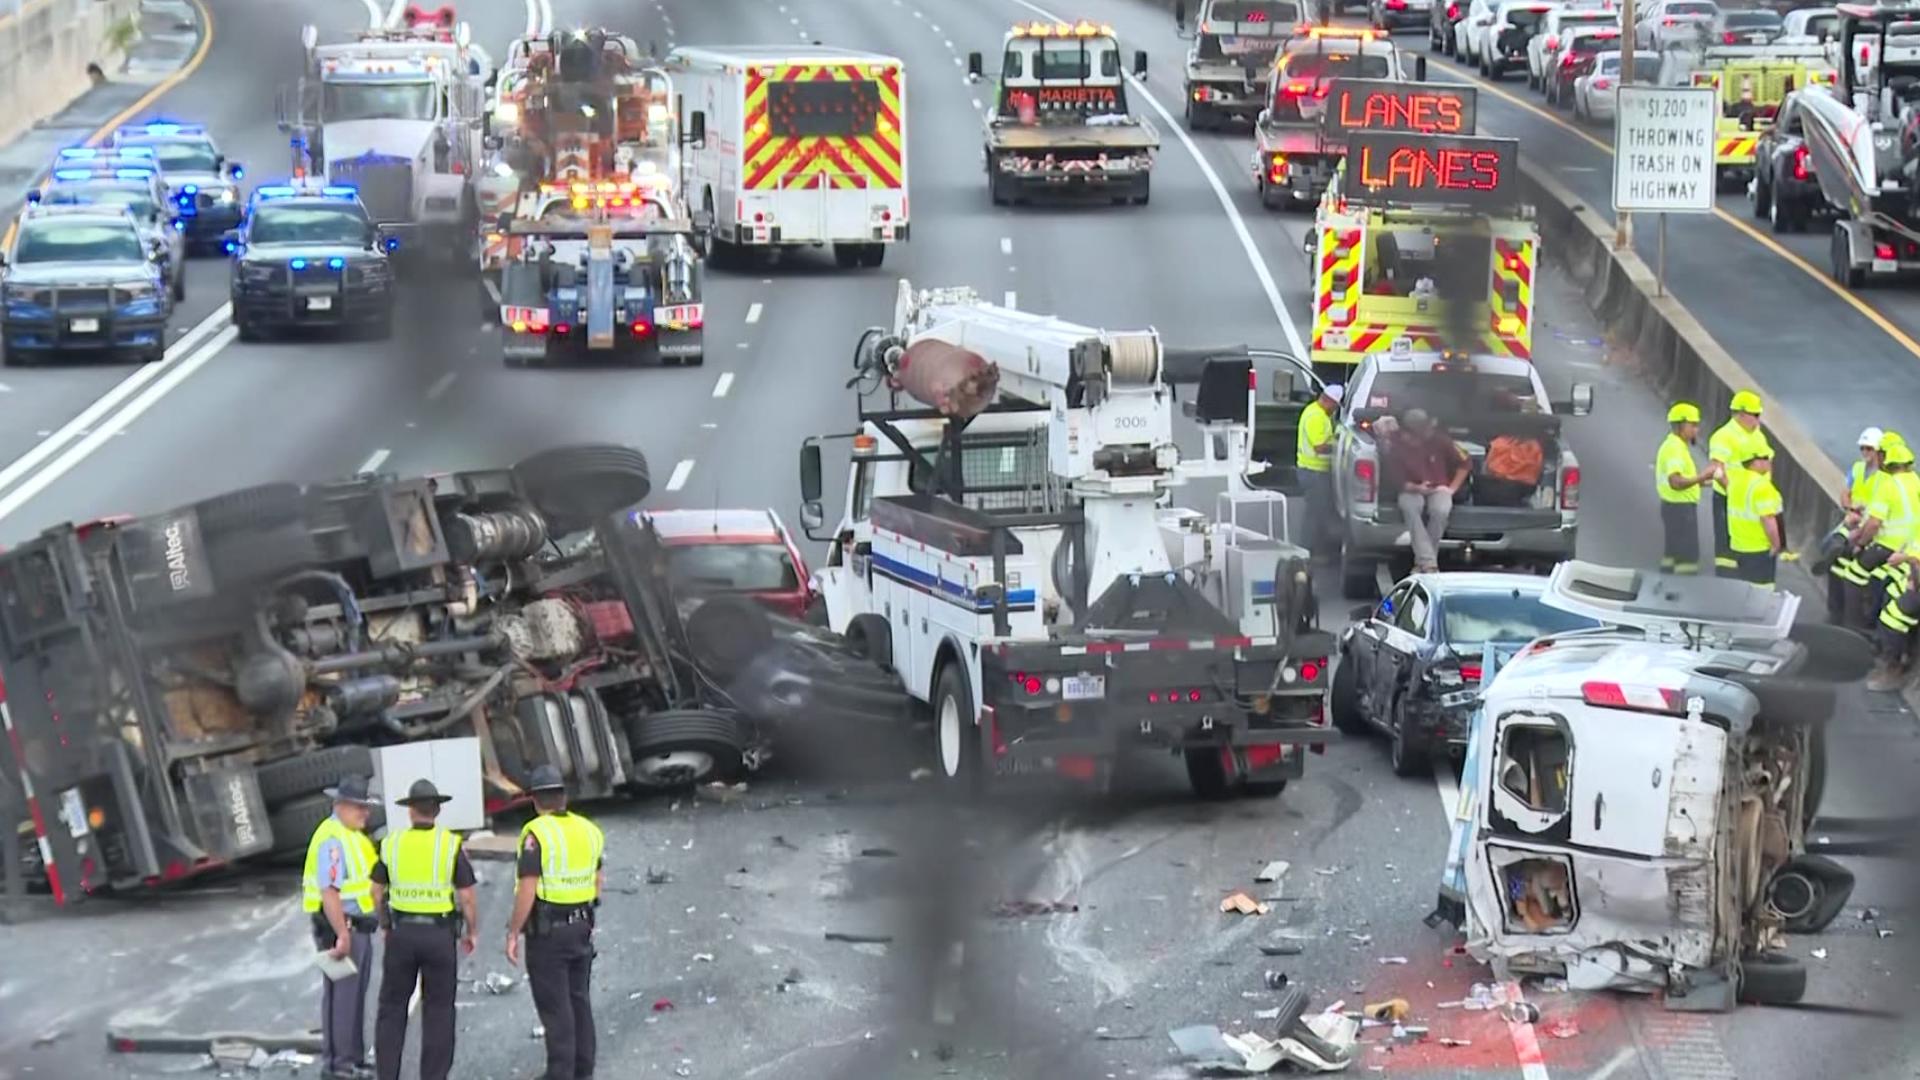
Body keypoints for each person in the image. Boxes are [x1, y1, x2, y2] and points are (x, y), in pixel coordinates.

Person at [372, 780, 479, 1080]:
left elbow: (376, 890)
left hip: (402, 934)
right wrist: (472, 931)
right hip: (439, 936)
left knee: (392, 1008)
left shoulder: (391, 844)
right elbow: (467, 896)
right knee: (439, 1011)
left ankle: (387, 1074)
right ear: (438, 810)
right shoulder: (450, 845)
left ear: (409, 812)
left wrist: (385, 924)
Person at [507, 765, 605, 1080]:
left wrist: (514, 931)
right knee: (579, 999)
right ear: (563, 796)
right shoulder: (589, 829)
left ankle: (560, 1073)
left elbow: (528, 887)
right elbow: (598, 878)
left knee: (555, 1007)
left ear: (535, 800)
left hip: (549, 933)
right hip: (582, 925)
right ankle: (582, 1070)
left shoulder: (536, 833)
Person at [304, 776, 382, 1080]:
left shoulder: (353, 836)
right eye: (359, 808)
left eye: (366, 808)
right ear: (340, 805)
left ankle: (353, 1059)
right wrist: (342, 934)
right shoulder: (333, 839)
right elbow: (329, 892)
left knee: (353, 995)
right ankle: (339, 1066)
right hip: (341, 927)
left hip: (357, 926)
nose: (365, 813)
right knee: (343, 998)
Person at [1847, 435, 1917, 632]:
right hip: (1910, 546)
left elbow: (1874, 525)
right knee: (1883, 581)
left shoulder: (1890, 485)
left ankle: (1853, 626)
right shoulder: (1915, 481)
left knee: (1853, 574)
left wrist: (1860, 543)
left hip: (1889, 545)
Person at [1386, 408, 1468, 574]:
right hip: (1411, 489)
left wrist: (1451, 489)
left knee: (1441, 510)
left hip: (1439, 488)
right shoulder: (1395, 446)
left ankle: (1422, 563)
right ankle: (1429, 563)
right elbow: (1398, 481)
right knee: (1410, 508)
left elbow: (1465, 463)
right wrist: (1418, 488)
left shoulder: (1440, 440)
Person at [1707, 390, 1771, 572]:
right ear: (1741, 414)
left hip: (1753, 500)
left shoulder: (1757, 434)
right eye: (1755, 415)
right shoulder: (1724, 436)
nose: (1758, 421)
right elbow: (1717, 469)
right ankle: (1726, 585)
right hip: (1728, 499)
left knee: (1750, 545)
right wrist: (1735, 494)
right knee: (1727, 549)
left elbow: (1768, 460)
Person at [1655, 402, 1721, 574]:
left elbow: (1686, 480)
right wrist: (1703, 476)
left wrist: (1708, 482)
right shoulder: (1675, 449)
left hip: (1674, 508)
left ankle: (1666, 586)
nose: (1696, 430)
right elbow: (1676, 482)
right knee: (1688, 557)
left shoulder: (1675, 446)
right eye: (1693, 425)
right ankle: (1684, 589)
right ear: (1680, 425)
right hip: (1680, 510)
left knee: (1672, 553)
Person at [1826, 427, 1884, 619]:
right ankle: (1835, 610)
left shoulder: (1884, 478)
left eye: (1869, 449)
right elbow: (1845, 491)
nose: (1865, 452)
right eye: (1863, 448)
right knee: (1836, 563)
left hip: (1868, 530)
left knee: (1855, 573)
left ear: (1878, 451)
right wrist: (1849, 506)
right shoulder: (1858, 468)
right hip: (1853, 520)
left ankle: (1849, 616)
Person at [1295, 383, 1343, 561]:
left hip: (1313, 472)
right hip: (1314, 472)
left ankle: (1312, 552)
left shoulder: (1315, 412)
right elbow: (1320, 447)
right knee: (1315, 515)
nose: (1334, 410)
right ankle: (1306, 553)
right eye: (1335, 406)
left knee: (1318, 512)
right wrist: (1340, 446)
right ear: (1330, 401)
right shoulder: (1317, 417)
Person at [1726, 445, 1784, 587]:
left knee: (1743, 591)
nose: (1769, 461)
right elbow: (1768, 519)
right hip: (1759, 549)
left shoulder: (1735, 481)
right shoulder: (1762, 486)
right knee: (1761, 592)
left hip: (1738, 545)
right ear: (1754, 462)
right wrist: (1777, 544)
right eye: (1765, 458)